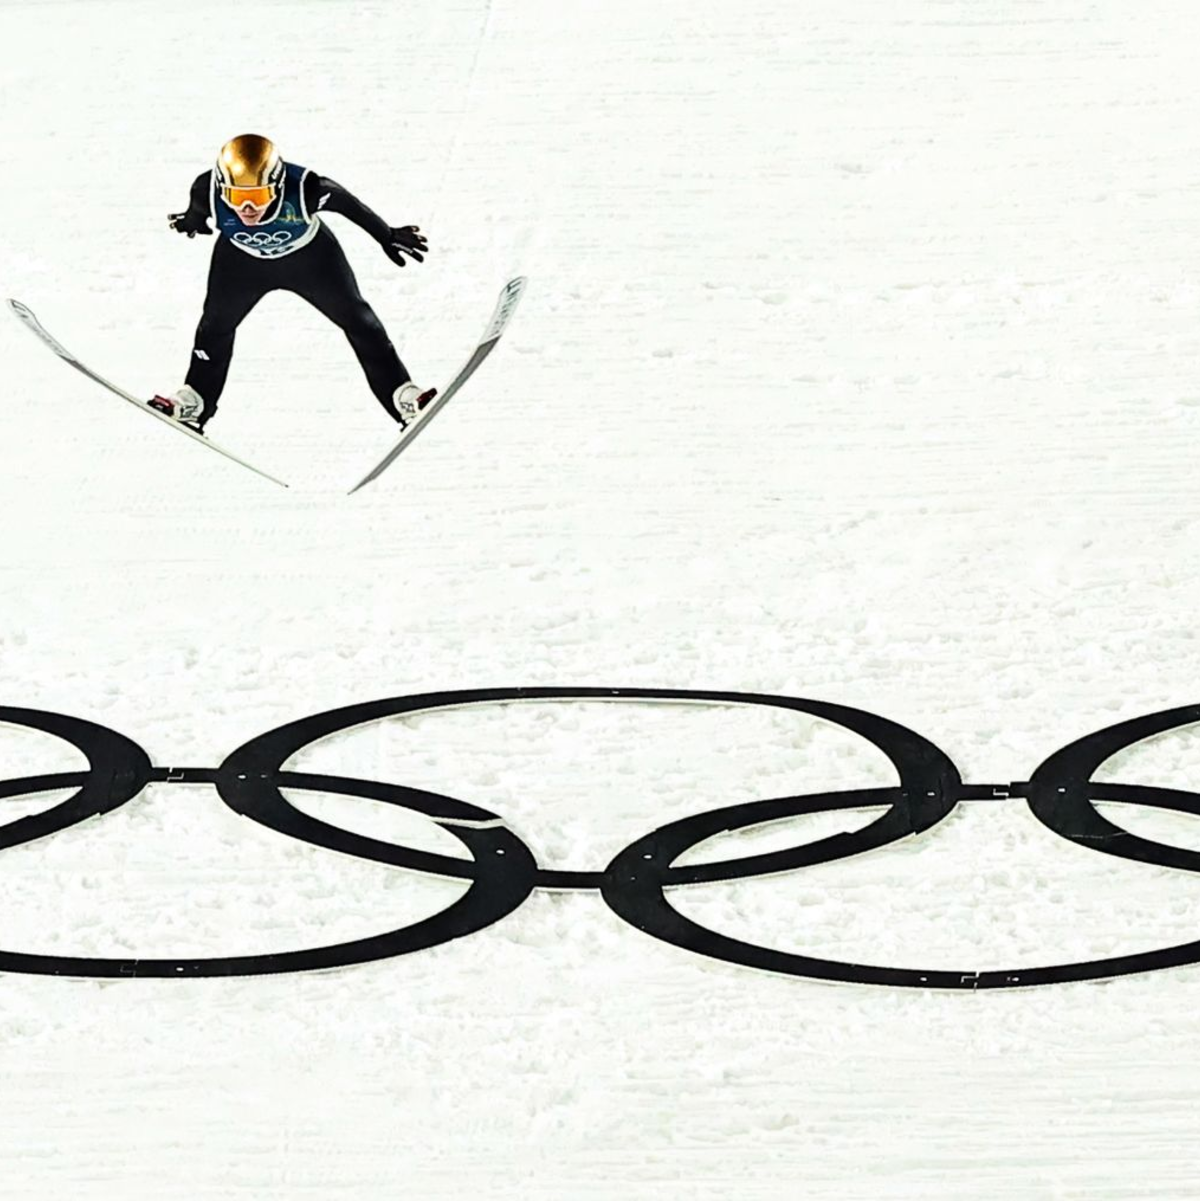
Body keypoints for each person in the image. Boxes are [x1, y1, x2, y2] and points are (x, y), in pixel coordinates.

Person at [151, 133, 434, 433]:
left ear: (277, 184)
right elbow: (198, 211)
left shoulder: (306, 188)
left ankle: (402, 395)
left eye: (258, 196)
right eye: (235, 197)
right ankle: (194, 400)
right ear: (222, 187)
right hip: (242, 264)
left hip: (311, 261)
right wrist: (191, 222)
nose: (247, 208)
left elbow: (350, 206)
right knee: (214, 327)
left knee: (360, 322)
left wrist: (387, 235)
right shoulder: (205, 190)